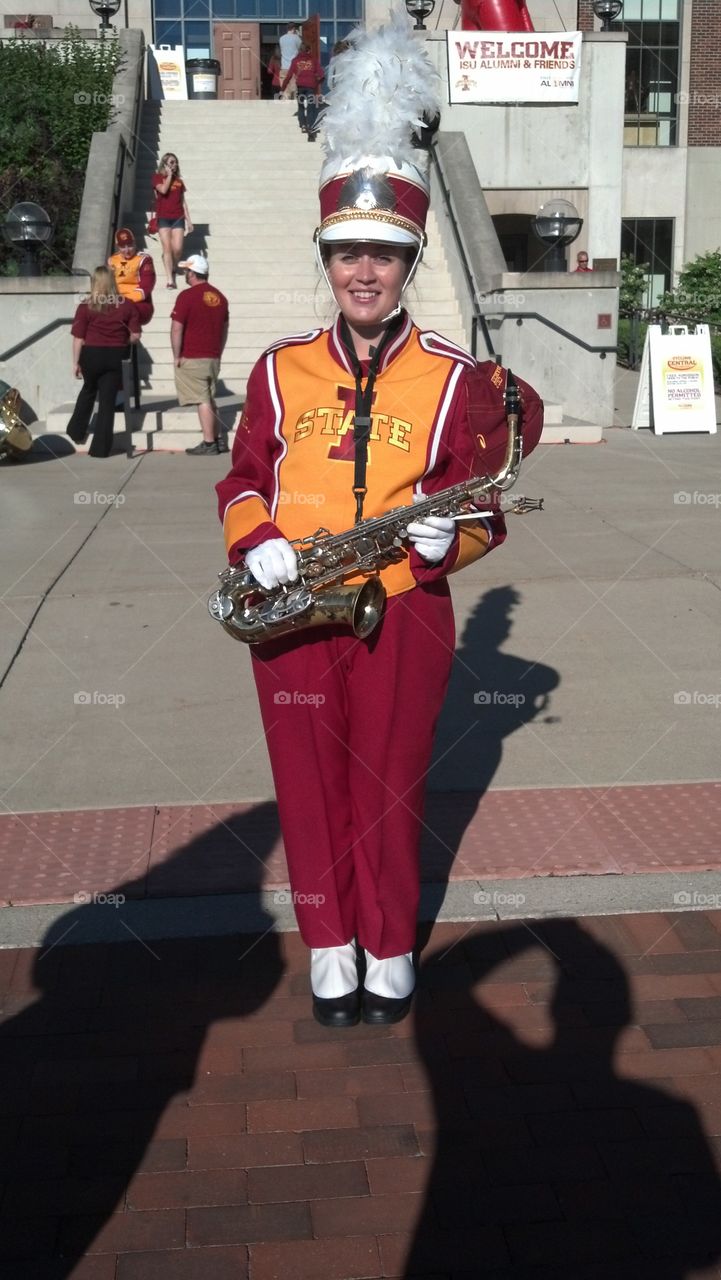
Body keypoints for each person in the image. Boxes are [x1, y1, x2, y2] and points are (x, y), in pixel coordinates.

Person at [215, 12, 543, 1029]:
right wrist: (257, 539)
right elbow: (240, 477)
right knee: (306, 784)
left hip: (401, 604)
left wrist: (461, 538)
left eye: (384, 254)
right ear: (328, 258)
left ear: (407, 264)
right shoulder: (275, 368)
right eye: (348, 251)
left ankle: (389, 943)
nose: (364, 270)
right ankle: (329, 946)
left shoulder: (455, 378)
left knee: (391, 783)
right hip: (294, 602)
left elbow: (484, 501)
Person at [66, 266, 140, 457]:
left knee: (89, 390)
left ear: (95, 283)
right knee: (107, 401)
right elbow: (135, 336)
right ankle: (100, 449)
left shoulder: (86, 306)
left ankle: (76, 430)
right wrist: (123, 339)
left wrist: (75, 363)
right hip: (116, 355)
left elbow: (78, 339)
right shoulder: (127, 305)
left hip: (92, 355)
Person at [170, 254, 230, 456]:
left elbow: (177, 328)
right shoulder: (220, 297)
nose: (185, 274)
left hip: (193, 355)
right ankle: (219, 439)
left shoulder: (186, 297)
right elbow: (224, 329)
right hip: (212, 355)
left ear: (193, 273)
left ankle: (209, 442)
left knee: (202, 399)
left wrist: (176, 355)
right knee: (210, 398)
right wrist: (218, 353)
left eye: (187, 271)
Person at [152, 152, 193, 289]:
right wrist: (169, 175)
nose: (174, 165)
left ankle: (173, 265)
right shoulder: (157, 178)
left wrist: (189, 220)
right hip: (163, 217)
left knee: (178, 249)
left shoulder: (179, 182)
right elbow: (163, 191)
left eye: (175, 162)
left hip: (178, 217)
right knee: (167, 248)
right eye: (171, 162)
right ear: (164, 163)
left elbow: (183, 202)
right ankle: (170, 279)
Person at [107, 227, 156, 324]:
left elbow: (145, 288)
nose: (127, 250)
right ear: (117, 246)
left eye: (129, 245)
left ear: (135, 243)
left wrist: (122, 301)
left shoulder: (144, 259)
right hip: (117, 302)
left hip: (139, 303)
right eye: (123, 247)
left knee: (121, 314)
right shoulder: (112, 260)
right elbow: (107, 284)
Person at [281, 42, 324, 140]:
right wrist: (317, 84)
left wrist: (282, 89)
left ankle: (303, 125)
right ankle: (311, 127)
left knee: (300, 107)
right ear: (309, 50)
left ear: (300, 50)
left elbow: (288, 76)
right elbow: (321, 74)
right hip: (311, 87)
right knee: (311, 108)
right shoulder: (313, 60)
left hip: (300, 87)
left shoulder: (295, 61)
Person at [279, 22, 302, 98]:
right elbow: (301, 48)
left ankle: (285, 108)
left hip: (284, 68)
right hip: (293, 68)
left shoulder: (281, 38)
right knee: (293, 92)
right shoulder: (296, 38)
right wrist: (299, 35)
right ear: (294, 29)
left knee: (285, 91)